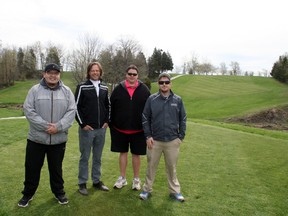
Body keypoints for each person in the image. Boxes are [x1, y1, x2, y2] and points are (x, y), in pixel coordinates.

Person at [18, 63, 76, 207]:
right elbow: (28, 110)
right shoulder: (34, 90)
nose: (53, 75)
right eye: (49, 72)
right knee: (32, 168)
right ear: (44, 74)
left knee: (56, 169)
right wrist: (45, 126)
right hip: (36, 139)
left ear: (59, 75)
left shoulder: (67, 91)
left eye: (56, 73)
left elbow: (71, 112)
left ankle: (59, 192)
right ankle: (28, 194)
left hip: (58, 140)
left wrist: (58, 127)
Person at [139, 72, 186, 202]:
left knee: (172, 168)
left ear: (170, 84)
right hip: (154, 141)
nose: (164, 85)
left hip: (172, 141)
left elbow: (183, 119)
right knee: (151, 167)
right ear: (158, 84)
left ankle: (175, 191)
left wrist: (180, 137)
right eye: (161, 83)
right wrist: (148, 136)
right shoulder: (152, 99)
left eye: (166, 82)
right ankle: (146, 190)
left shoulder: (178, 100)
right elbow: (145, 117)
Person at [109, 64, 150, 190]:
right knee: (123, 153)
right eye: (130, 74)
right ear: (126, 75)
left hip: (138, 130)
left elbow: (149, 110)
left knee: (136, 154)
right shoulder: (118, 89)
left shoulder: (144, 90)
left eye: (134, 74)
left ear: (137, 76)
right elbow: (111, 106)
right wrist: (111, 123)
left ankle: (136, 179)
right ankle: (122, 178)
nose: (132, 76)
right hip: (120, 129)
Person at [75, 62, 110, 195]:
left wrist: (107, 121)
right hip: (87, 130)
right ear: (89, 72)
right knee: (85, 157)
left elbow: (108, 106)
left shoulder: (105, 88)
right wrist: (82, 124)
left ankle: (96, 181)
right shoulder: (82, 87)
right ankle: (82, 183)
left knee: (98, 157)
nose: (95, 73)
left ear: (100, 72)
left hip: (101, 129)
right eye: (92, 70)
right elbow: (76, 106)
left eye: (97, 71)